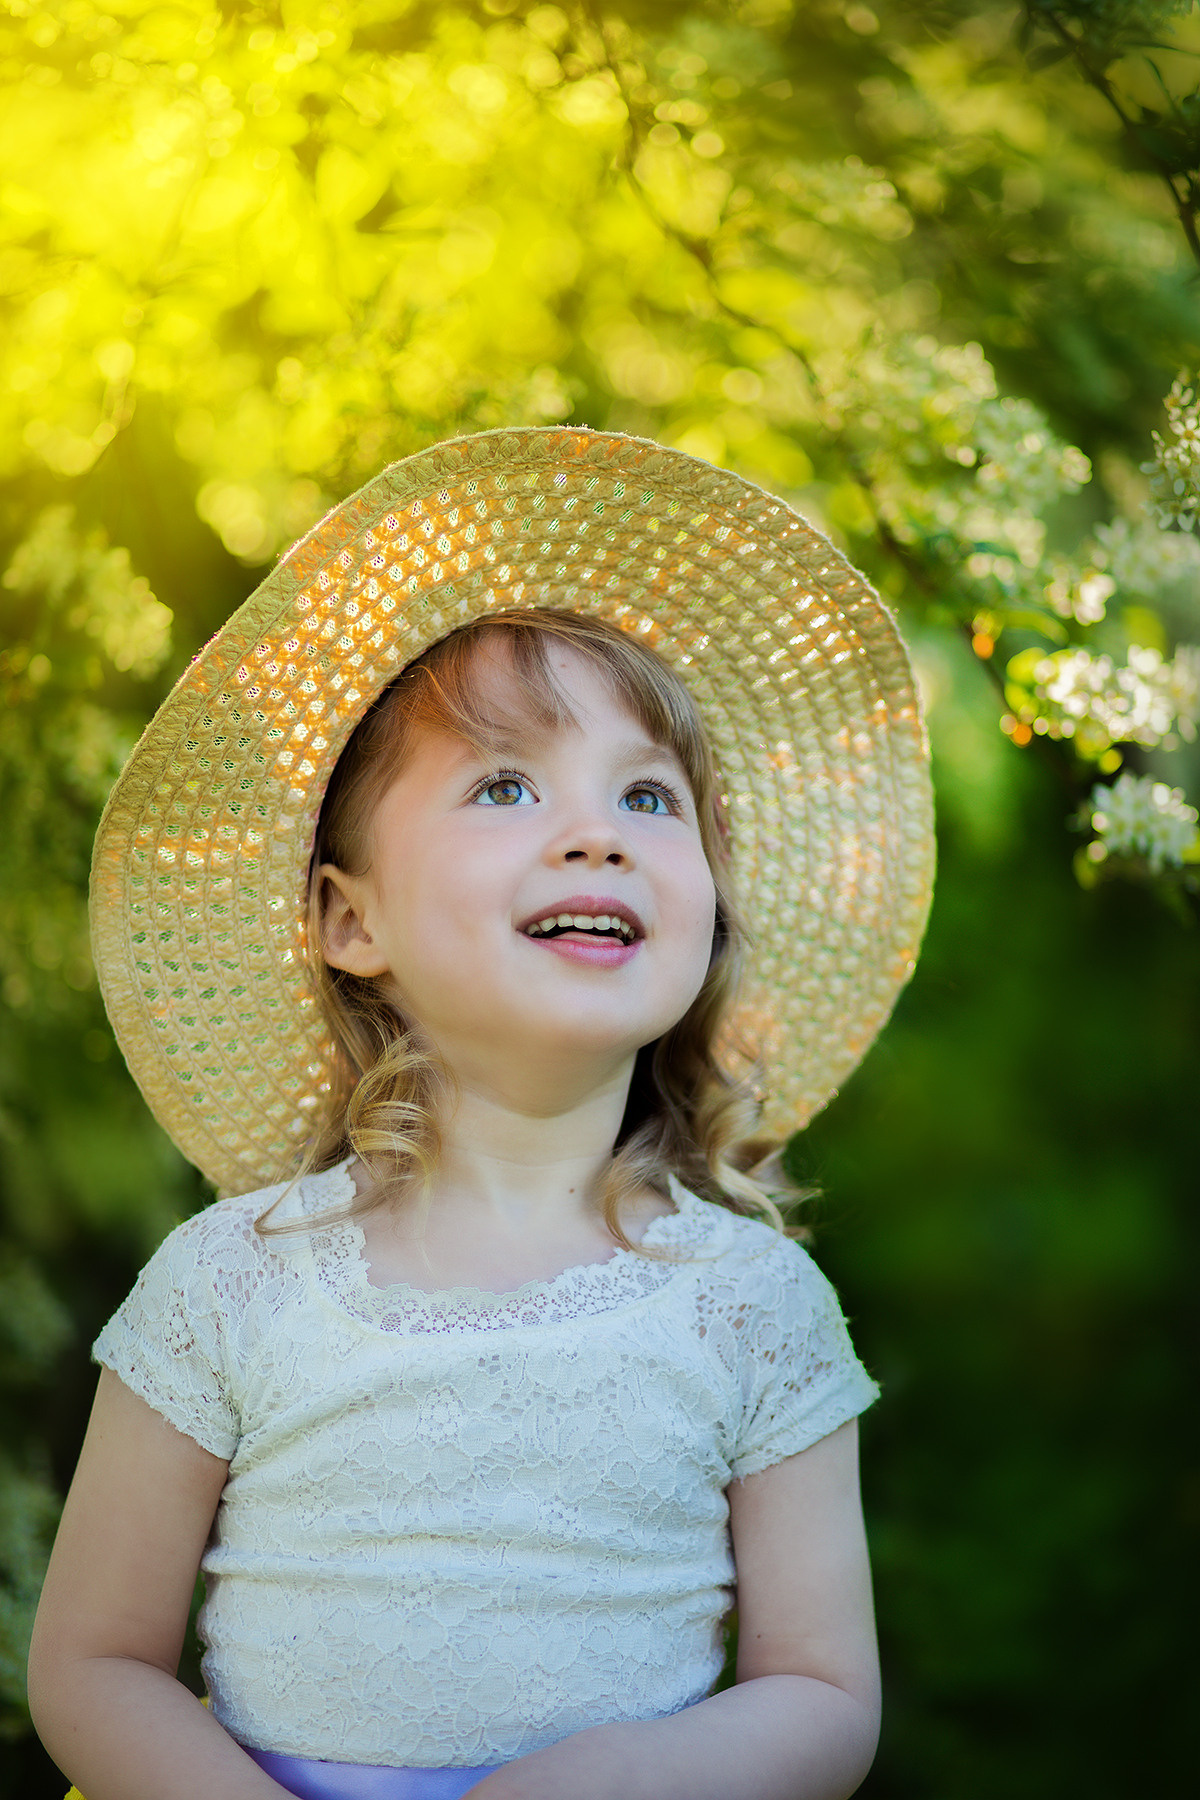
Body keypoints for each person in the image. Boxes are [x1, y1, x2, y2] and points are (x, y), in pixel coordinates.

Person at [27, 427, 934, 1800]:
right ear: (351, 920)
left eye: (649, 796)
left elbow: (821, 1696)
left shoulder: (752, 1305)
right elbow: (94, 1664)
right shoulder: (234, 1283)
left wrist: (628, 1778)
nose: (597, 831)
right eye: (505, 784)